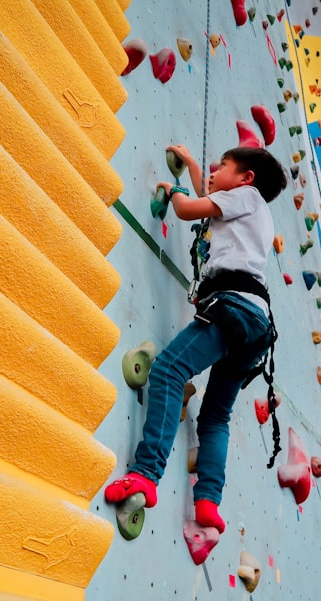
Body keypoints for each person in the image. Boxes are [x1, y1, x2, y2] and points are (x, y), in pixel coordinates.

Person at [105, 143, 287, 535]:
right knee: (216, 416)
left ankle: (145, 476)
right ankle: (207, 502)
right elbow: (209, 201)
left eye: (222, 165)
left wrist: (174, 193)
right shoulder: (252, 210)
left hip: (233, 309)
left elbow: (190, 210)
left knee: (170, 370)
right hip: (257, 325)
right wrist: (189, 167)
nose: (213, 171)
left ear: (245, 178)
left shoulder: (246, 197)